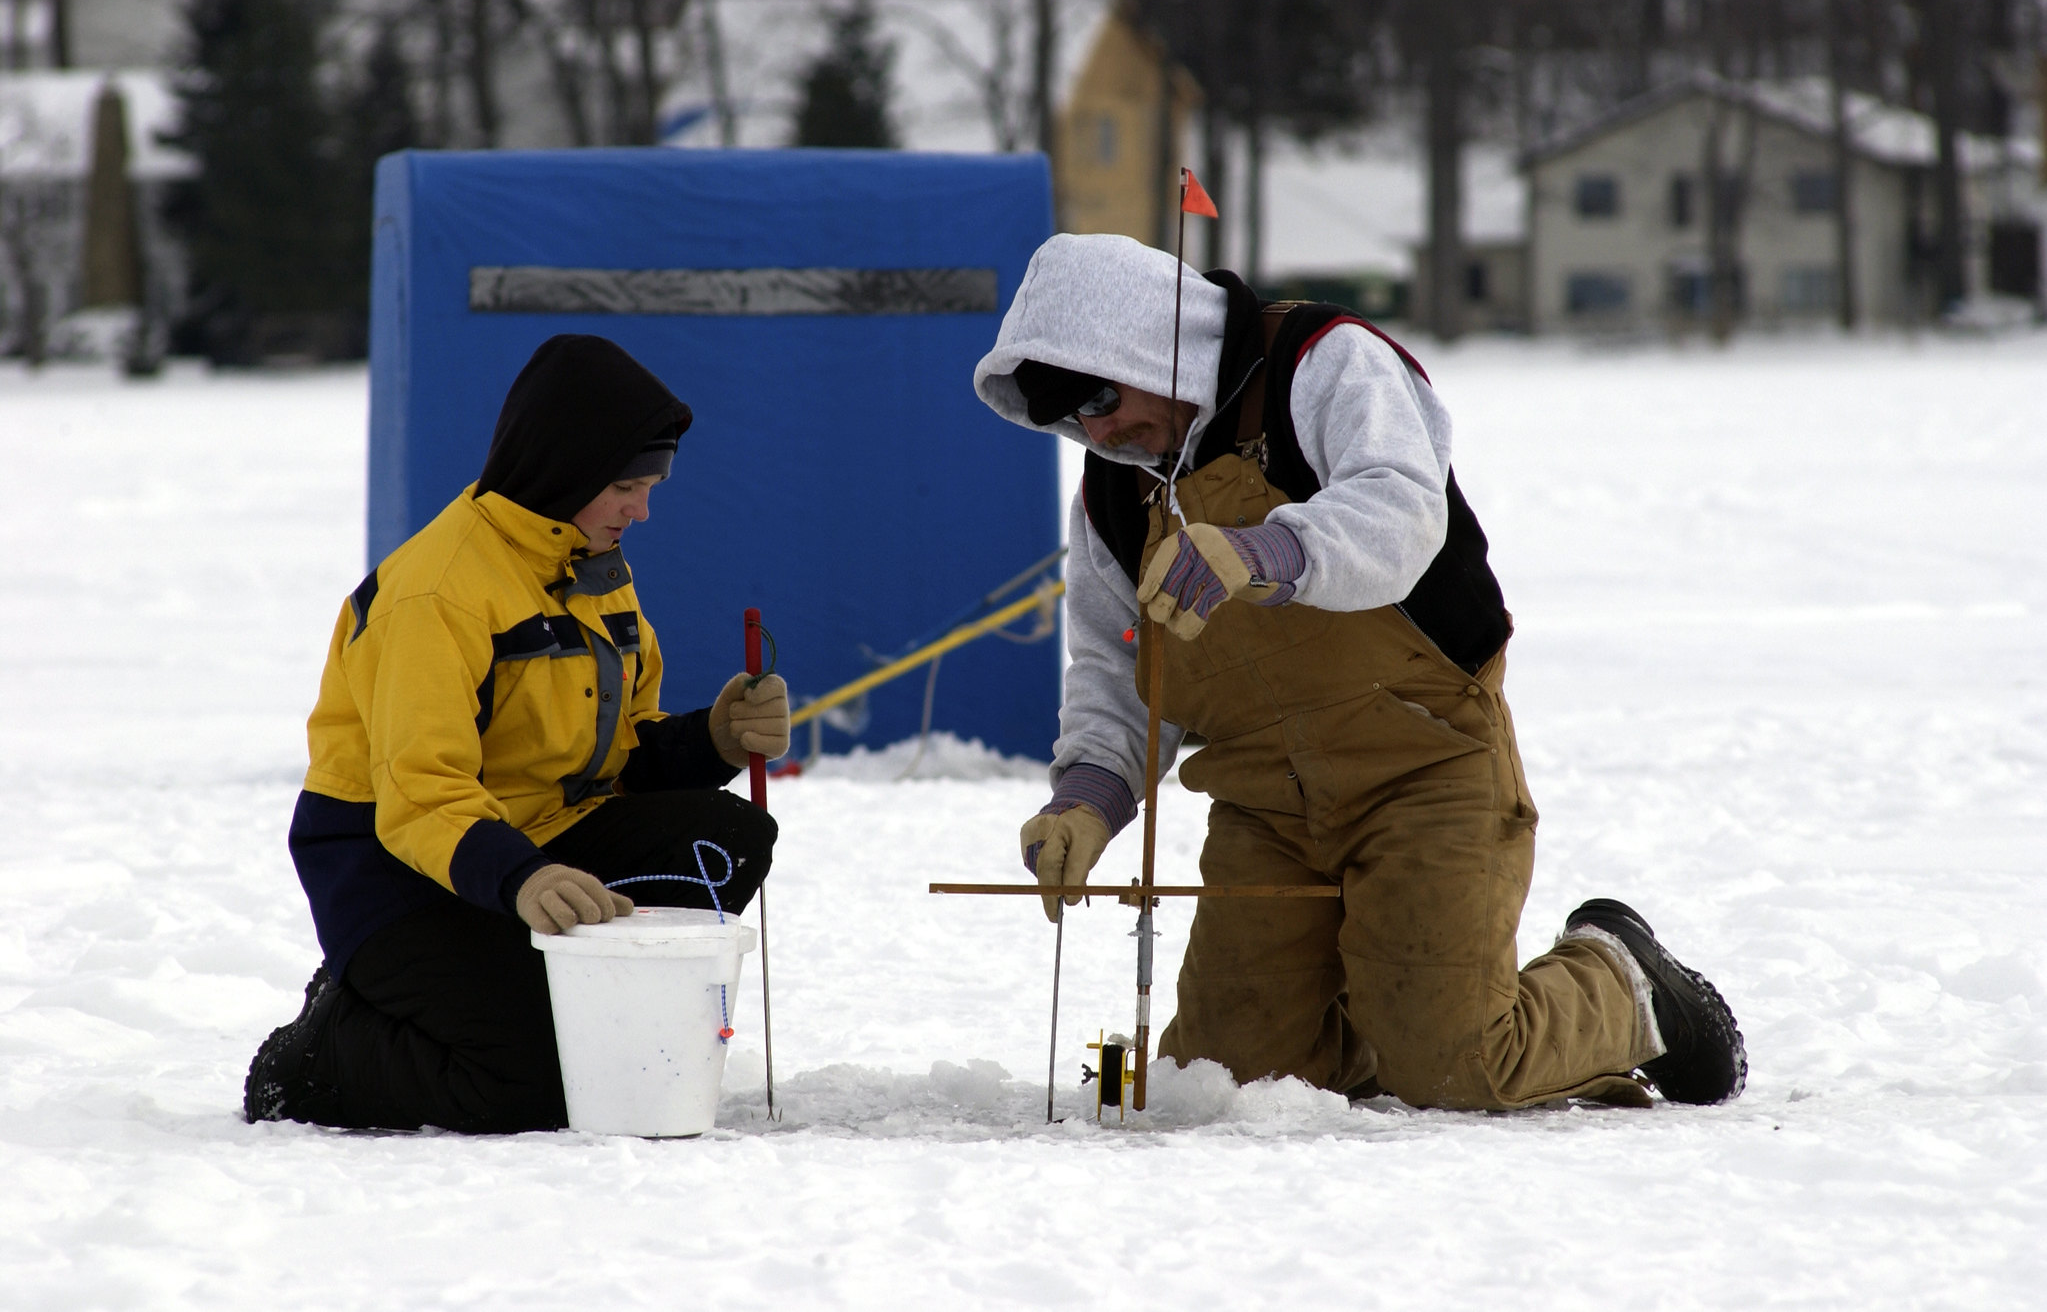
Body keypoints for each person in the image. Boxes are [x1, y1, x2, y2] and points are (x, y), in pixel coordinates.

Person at [972, 233, 1745, 1110]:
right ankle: (1387, 1015)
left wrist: (1269, 550)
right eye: (1072, 419)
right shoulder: (1116, 490)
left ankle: (1622, 981)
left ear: (1146, 342)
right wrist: (1086, 799)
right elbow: (1111, 668)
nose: (1101, 430)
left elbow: (1401, 509)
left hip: (1423, 767)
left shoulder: (1322, 362)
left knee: (1458, 1067)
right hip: (1264, 803)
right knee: (1223, 1085)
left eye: (1102, 395)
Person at [244, 334, 790, 1132]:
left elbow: (619, 749)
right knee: (527, 1086)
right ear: (562, 469)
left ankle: (559, 1010)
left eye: (651, 485)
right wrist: (522, 878)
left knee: (725, 837)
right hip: (399, 872)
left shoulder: (590, 565)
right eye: (626, 486)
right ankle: (325, 1048)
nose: (641, 509)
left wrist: (710, 739)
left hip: (536, 838)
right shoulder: (437, 593)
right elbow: (419, 794)